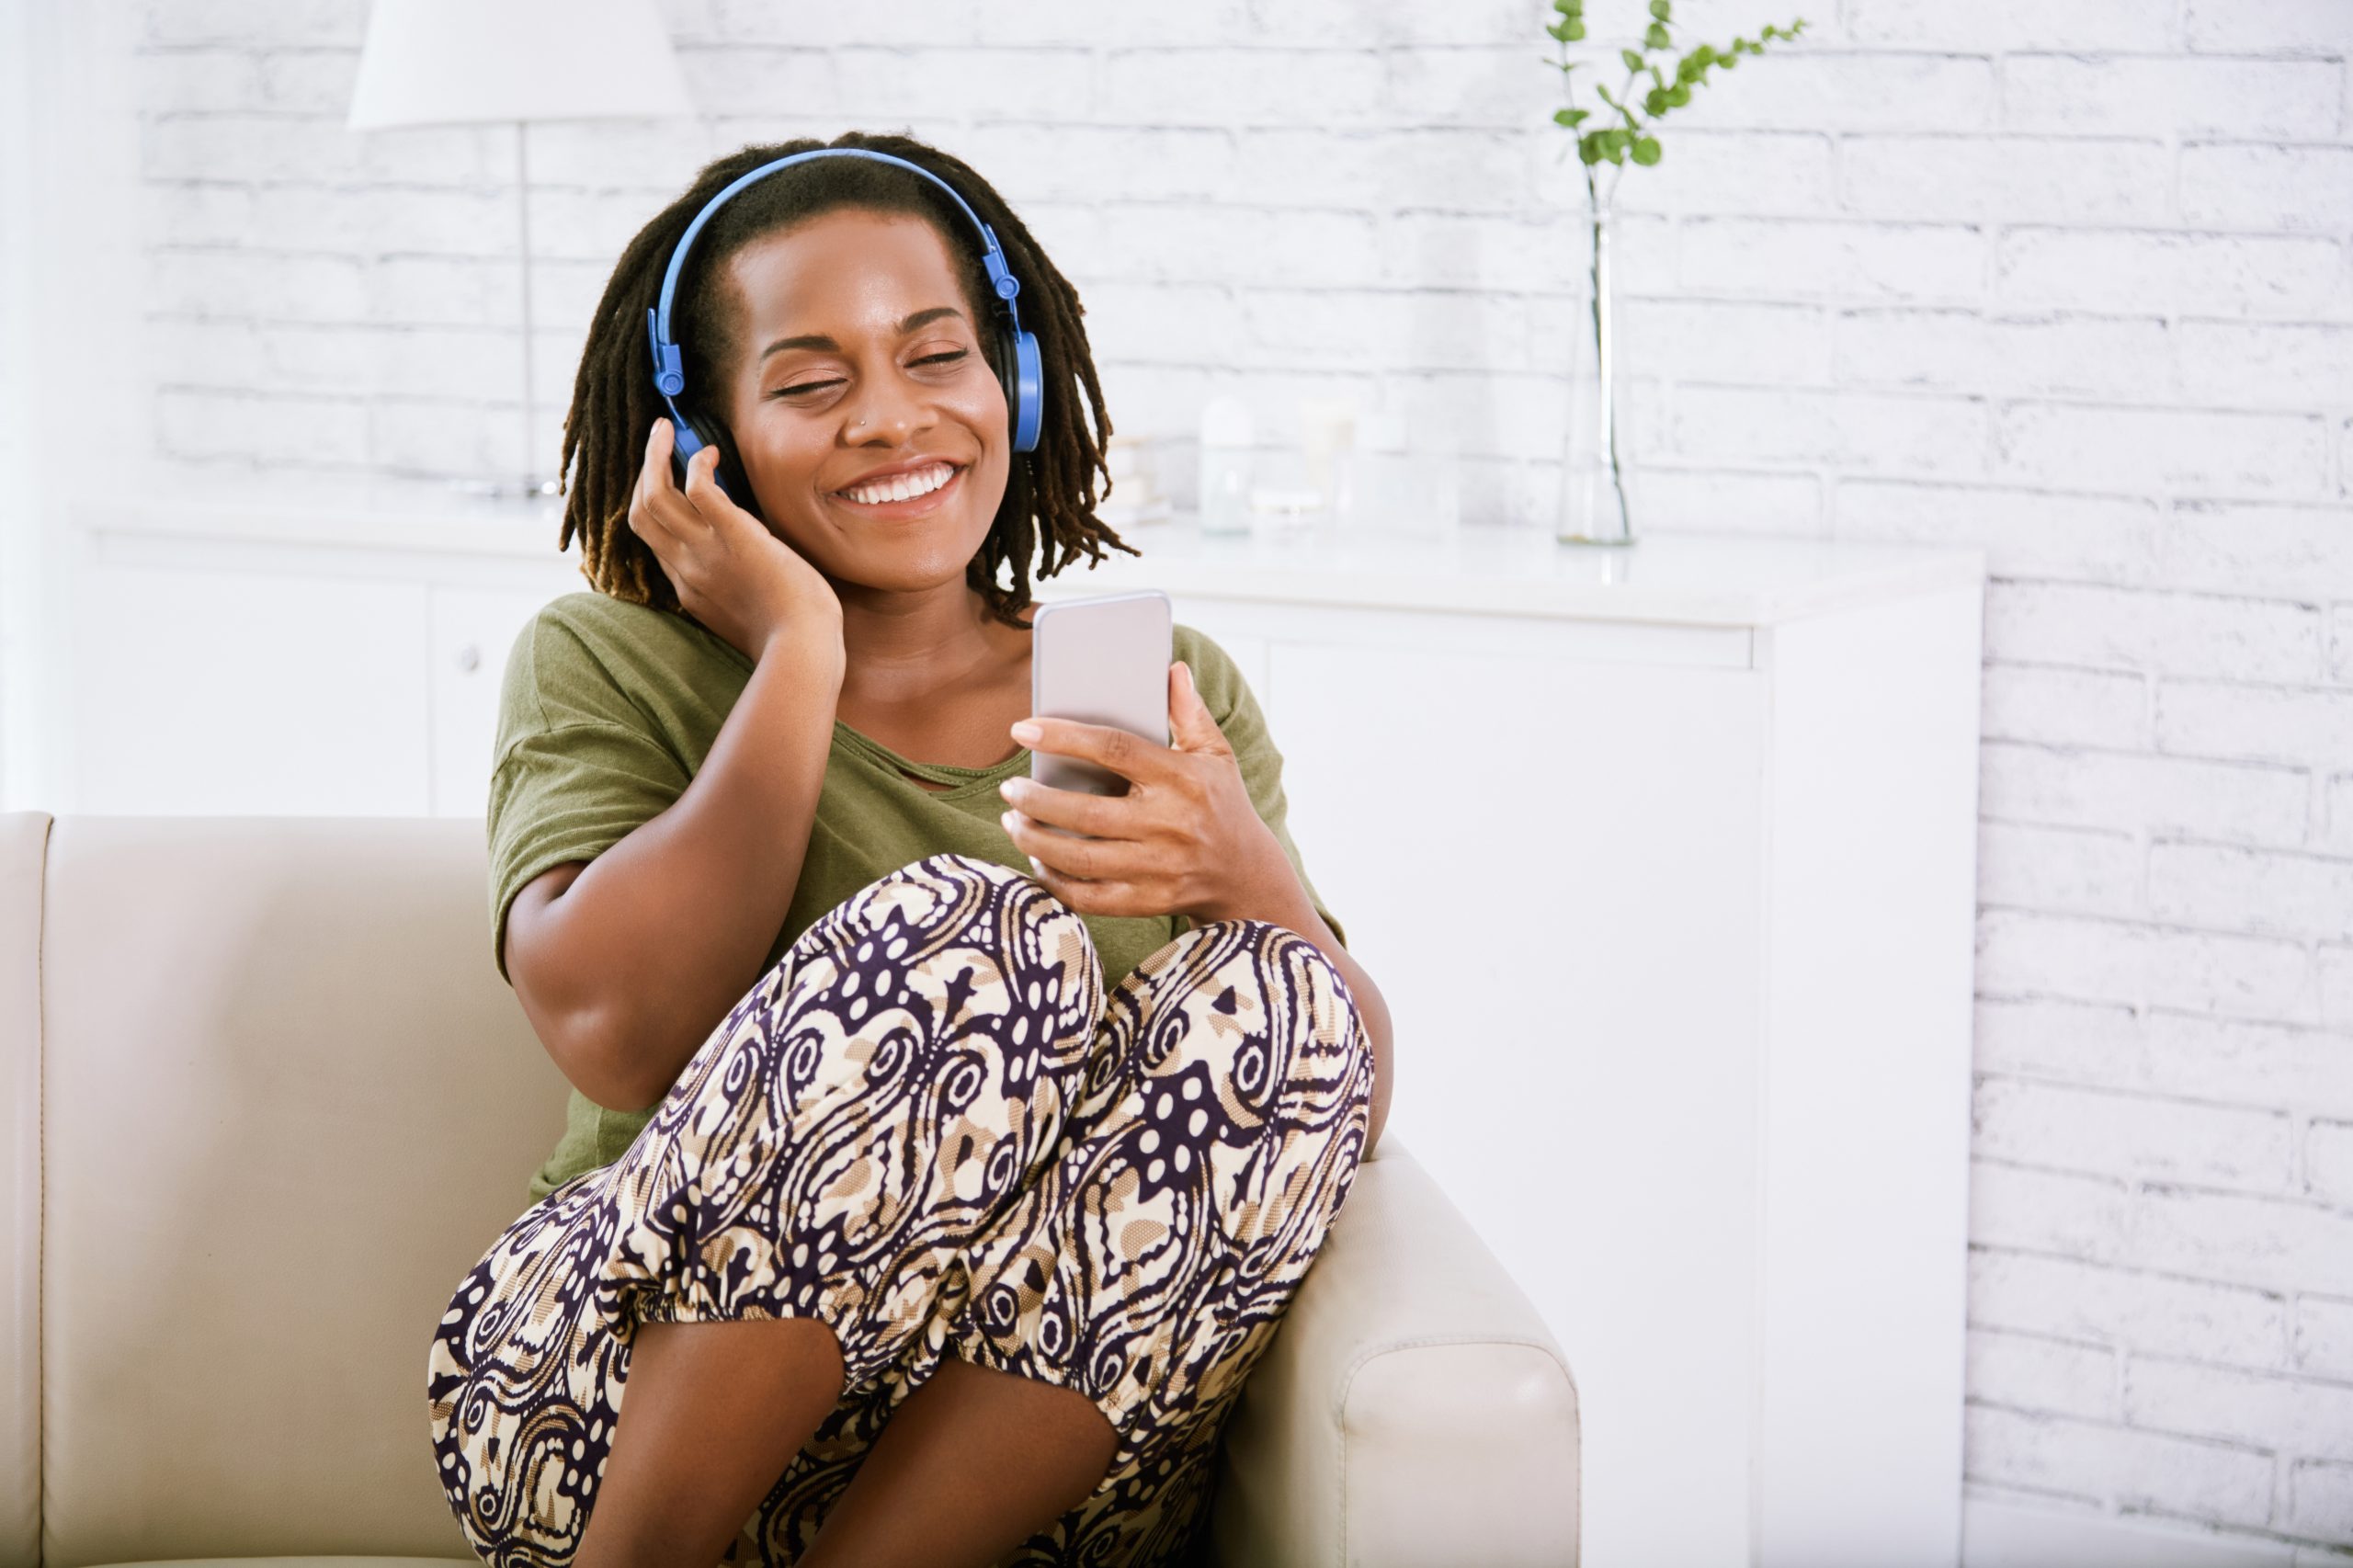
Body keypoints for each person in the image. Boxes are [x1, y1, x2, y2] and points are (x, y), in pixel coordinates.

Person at [424, 129, 1395, 1568]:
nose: (889, 416)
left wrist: (1242, 870)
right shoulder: (608, 660)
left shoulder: (1170, 684)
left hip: (1015, 1493)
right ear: (704, 440)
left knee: (1288, 995)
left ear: (1017, 381)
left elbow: (1333, 1087)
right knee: (984, 938)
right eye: (811, 383)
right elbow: (614, 1032)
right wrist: (795, 653)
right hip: (614, 1426)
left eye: (935, 356)